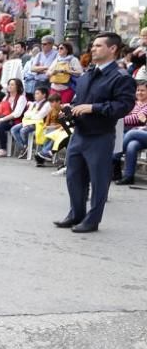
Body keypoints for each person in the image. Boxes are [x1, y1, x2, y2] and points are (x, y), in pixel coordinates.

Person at [53, 32, 136, 233]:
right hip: (79, 132)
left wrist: (94, 108)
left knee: (98, 180)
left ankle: (92, 220)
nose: (93, 48)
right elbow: (79, 100)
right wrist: (69, 107)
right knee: (74, 176)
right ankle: (76, 214)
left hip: (100, 135)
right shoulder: (88, 73)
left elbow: (123, 106)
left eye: (99, 45)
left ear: (112, 49)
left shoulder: (120, 77)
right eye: (93, 45)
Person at [114, 81, 147, 185]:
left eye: (143, 90)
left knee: (130, 133)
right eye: (138, 90)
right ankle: (128, 177)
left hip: (138, 132)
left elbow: (138, 118)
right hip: (136, 132)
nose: (139, 92)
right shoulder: (133, 103)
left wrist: (121, 119)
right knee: (131, 145)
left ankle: (113, 158)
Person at [11, 86, 51, 157]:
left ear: (44, 95)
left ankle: (25, 149)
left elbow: (40, 116)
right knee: (14, 129)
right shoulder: (34, 103)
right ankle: (24, 147)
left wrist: (31, 115)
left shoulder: (47, 104)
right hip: (28, 122)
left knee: (23, 130)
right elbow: (26, 114)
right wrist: (32, 115)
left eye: (37, 93)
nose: (35, 95)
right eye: (35, 93)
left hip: (39, 123)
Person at [0, 78, 26, 157]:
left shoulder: (21, 98)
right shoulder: (6, 97)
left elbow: (17, 114)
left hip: (15, 121)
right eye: (9, 84)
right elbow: (1, 109)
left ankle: (3, 149)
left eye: (12, 85)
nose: (9, 86)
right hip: (4, 118)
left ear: (18, 87)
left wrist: (2, 119)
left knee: (0, 126)